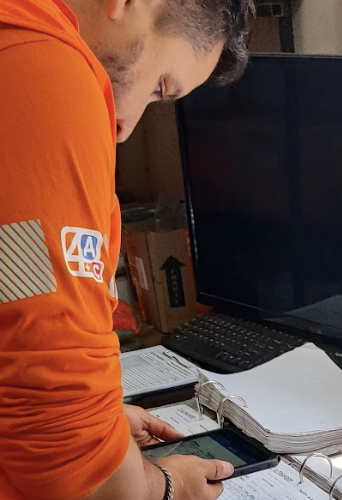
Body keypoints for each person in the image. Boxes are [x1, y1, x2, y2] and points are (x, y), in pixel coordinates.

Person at [0, 0, 253, 499]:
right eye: (160, 85)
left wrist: (103, 425)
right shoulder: (42, 70)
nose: (124, 127)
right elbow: (60, 440)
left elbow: (19, 306)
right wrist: (164, 485)